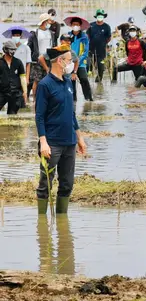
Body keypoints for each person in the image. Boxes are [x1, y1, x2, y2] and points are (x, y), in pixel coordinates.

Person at [35, 44, 88, 215]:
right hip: (52, 143)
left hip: (69, 142)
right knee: (46, 184)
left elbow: (71, 113)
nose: (71, 63)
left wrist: (79, 138)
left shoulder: (68, 82)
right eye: (69, 60)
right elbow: (39, 116)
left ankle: (62, 224)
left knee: (67, 184)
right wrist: (43, 142)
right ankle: (42, 224)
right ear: (59, 61)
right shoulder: (45, 85)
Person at [28, 14, 54, 104]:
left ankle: (47, 98)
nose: (50, 22)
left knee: (49, 79)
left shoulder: (51, 33)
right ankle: (35, 98)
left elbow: (53, 45)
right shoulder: (35, 33)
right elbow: (29, 46)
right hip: (37, 59)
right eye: (49, 21)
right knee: (37, 80)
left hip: (48, 59)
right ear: (45, 21)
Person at [66, 16, 92, 102]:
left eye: (77, 24)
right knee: (71, 83)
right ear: (71, 25)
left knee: (84, 80)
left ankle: (88, 99)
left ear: (80, 26)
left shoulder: (84, 37)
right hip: (69, 63)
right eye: (74, 24)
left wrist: (77, 62)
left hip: (81, 63)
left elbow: (85, 52)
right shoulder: (68, 36)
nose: (75, 26)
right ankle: (73, 101)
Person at [0, 40, 26, 114]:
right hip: (2, 92)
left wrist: (25, 92)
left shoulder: (18, 62)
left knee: (12, 115)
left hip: (15, 93)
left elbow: (22, 77)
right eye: (11, 49)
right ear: (5, 49)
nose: (13, 51)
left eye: (14, 49)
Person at [87, 9, 112, 83]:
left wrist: (103, 43)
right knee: (89, 66)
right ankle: (88, 82)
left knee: (101, 68)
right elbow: (87, 36)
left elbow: (109, 38)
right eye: (99, 15)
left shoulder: (107, 27)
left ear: (103, 16)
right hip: (91, 50)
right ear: (96, 16)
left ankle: (99, 82)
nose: (100, 17)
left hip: (101, 51)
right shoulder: (91, 25)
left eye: (101, 15)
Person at [8, 29, 31, 108]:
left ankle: (22, 108)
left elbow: (28, 64)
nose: (16, 37)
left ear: (20, 36)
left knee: (23, 95)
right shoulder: (9, 48)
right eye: (14, 35)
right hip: (11, 75)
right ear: (12, 36)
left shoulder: (26, 48)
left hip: (22, 75)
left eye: (18, 35)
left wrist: (27, 78)